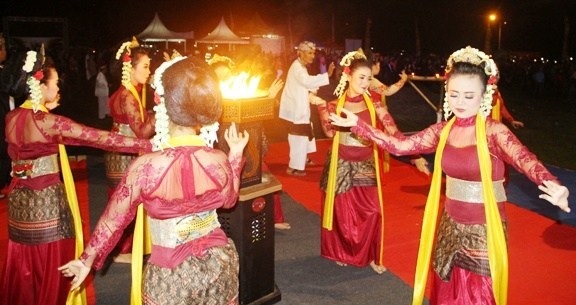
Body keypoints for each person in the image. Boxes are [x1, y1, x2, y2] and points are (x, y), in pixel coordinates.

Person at [329, 46, 571, 305]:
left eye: (469, 96)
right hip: (450, 223)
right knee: (447, 288)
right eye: (454, 94)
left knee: (479, 294)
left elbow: (524, 159)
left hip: (484, 227)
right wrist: (359, 126)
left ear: (484, 95)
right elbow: (401, 146)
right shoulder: (442, 130)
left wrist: (553, 184)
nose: (460, 102)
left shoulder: (494, 132)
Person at [59, 56, 249, 305]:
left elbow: (113, 220)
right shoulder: (218, 159)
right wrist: (235, 154)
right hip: (217, 267)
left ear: (162, 107)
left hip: (170, 277)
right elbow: (229, 200)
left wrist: (86, 260)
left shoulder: (146, 167)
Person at [0, 48, 152, 305]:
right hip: (47, 211)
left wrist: (45, 108)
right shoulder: (46, 122)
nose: (58, 88)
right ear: (39, 85)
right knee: (55, 275)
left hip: (19, 210)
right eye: (55, 83)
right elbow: (98, 137)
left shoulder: (12, 118)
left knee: (27, 275)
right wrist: (150, 147)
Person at [314, 49, 414, 274]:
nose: (366, 82)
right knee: (341, 213)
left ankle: (370, 254)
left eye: (369, 78)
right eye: (361, 77)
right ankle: (340, 251)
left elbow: (391, 127)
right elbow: (330, 133)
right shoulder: (335, 104)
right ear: (348, 75)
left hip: (365, 163)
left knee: (372, 211)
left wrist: (414, 154)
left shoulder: (375, 102)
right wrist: (321, 106)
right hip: (340, 162)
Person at [207, 53, 290, 230]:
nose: (225, 80)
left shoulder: (239, 90)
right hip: (221, 147)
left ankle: (274, 218)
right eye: (220, 77)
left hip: (246, 142)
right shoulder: (209, 98)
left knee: (261, 175)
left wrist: (269, 97)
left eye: (227, 76)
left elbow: (259, 108)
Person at [105, 38, 155, 262]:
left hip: (122, 154)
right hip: (124, 156)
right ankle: (122, 248)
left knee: (125, 200)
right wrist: (161, 110)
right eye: (145, 66)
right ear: (130, 67)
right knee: (126, 201)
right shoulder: (127, 96)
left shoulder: (129, 92)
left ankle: (125, 246)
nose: (148, 70)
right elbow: (142, 132)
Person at [367, 50, 431, 175]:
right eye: (378, 64)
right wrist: (403, 80)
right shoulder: (370, 80)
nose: (379, 66)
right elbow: (388, 91)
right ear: (372, 66)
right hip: (374, 116)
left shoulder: (368, 80)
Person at [279, 41, 335, 176]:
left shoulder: (301, 67)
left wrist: (314, 89)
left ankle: (303, 158)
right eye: (310, 53)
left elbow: (306, 83)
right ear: (301, 53)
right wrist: (327, 75)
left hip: (300, 108)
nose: (313, 56)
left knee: (305, 132)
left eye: (313, 53)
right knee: (298, 136)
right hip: (295, 110)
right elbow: (307, 81)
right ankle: (294, 167)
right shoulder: (297, 67)